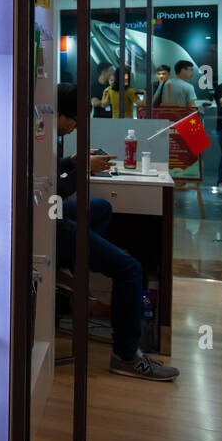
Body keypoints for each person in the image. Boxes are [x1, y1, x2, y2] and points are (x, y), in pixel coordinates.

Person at [54, 82, 178, 381]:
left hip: (51, 215)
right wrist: (82, 170)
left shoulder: (43, 134)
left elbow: (47, 174)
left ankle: (72, 261)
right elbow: (49, 190)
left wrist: (71, 162)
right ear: (61, 115)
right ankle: (126, 355)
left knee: (101, 208)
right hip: (49, 224)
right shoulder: (42, 133)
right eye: (73, 121)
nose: (74, 128)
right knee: (129, 269)